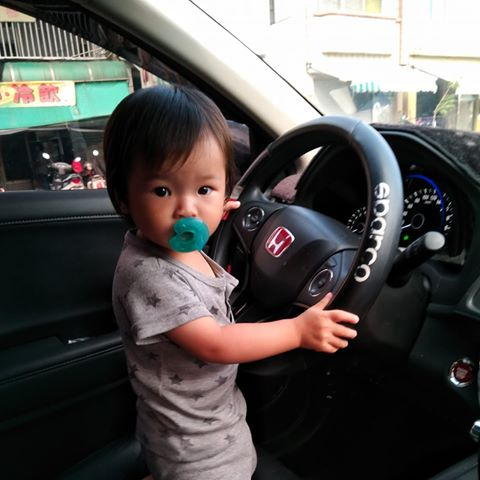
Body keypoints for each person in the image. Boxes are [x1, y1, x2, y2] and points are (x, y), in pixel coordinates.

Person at [103, 84, 359, 480]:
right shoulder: (149, 275)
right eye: (162, 191)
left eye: (204, 189)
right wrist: (297, 331)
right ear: (124, 197)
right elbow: (216, 343)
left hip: (192, 425)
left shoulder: (169, 243)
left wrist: (218, 215)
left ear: (225, 192)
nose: (188, 209)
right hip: (197, 452)